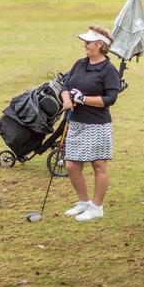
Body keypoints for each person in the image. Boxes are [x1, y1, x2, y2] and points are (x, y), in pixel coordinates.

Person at [60, 25, 121, 222]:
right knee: (71, 165)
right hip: (76, 122)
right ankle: (84, 202)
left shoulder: (109, 70)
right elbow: (65, 85)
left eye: (88, 42)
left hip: (97, 124)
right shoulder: (80, 63)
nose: (85, 45)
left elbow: (110, 99)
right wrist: (67, 99)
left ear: (100, 45)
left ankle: (97, 207)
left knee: (98, 165)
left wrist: (83, 99)